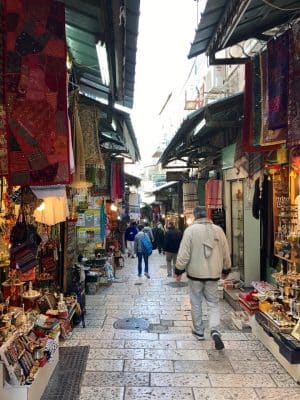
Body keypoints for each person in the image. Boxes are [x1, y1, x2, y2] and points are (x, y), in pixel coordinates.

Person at [175, 206, 231, 350]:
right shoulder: (218, 230)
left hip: (195, 275)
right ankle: (215, 330)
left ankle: (199, 331)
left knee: (196, 302)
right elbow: (226, 252)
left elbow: (184, 253)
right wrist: (226, 268)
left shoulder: (190, 231)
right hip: (213, 275)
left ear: (195, 216)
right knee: (213, 303)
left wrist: (178, 269)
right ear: (206, 215)